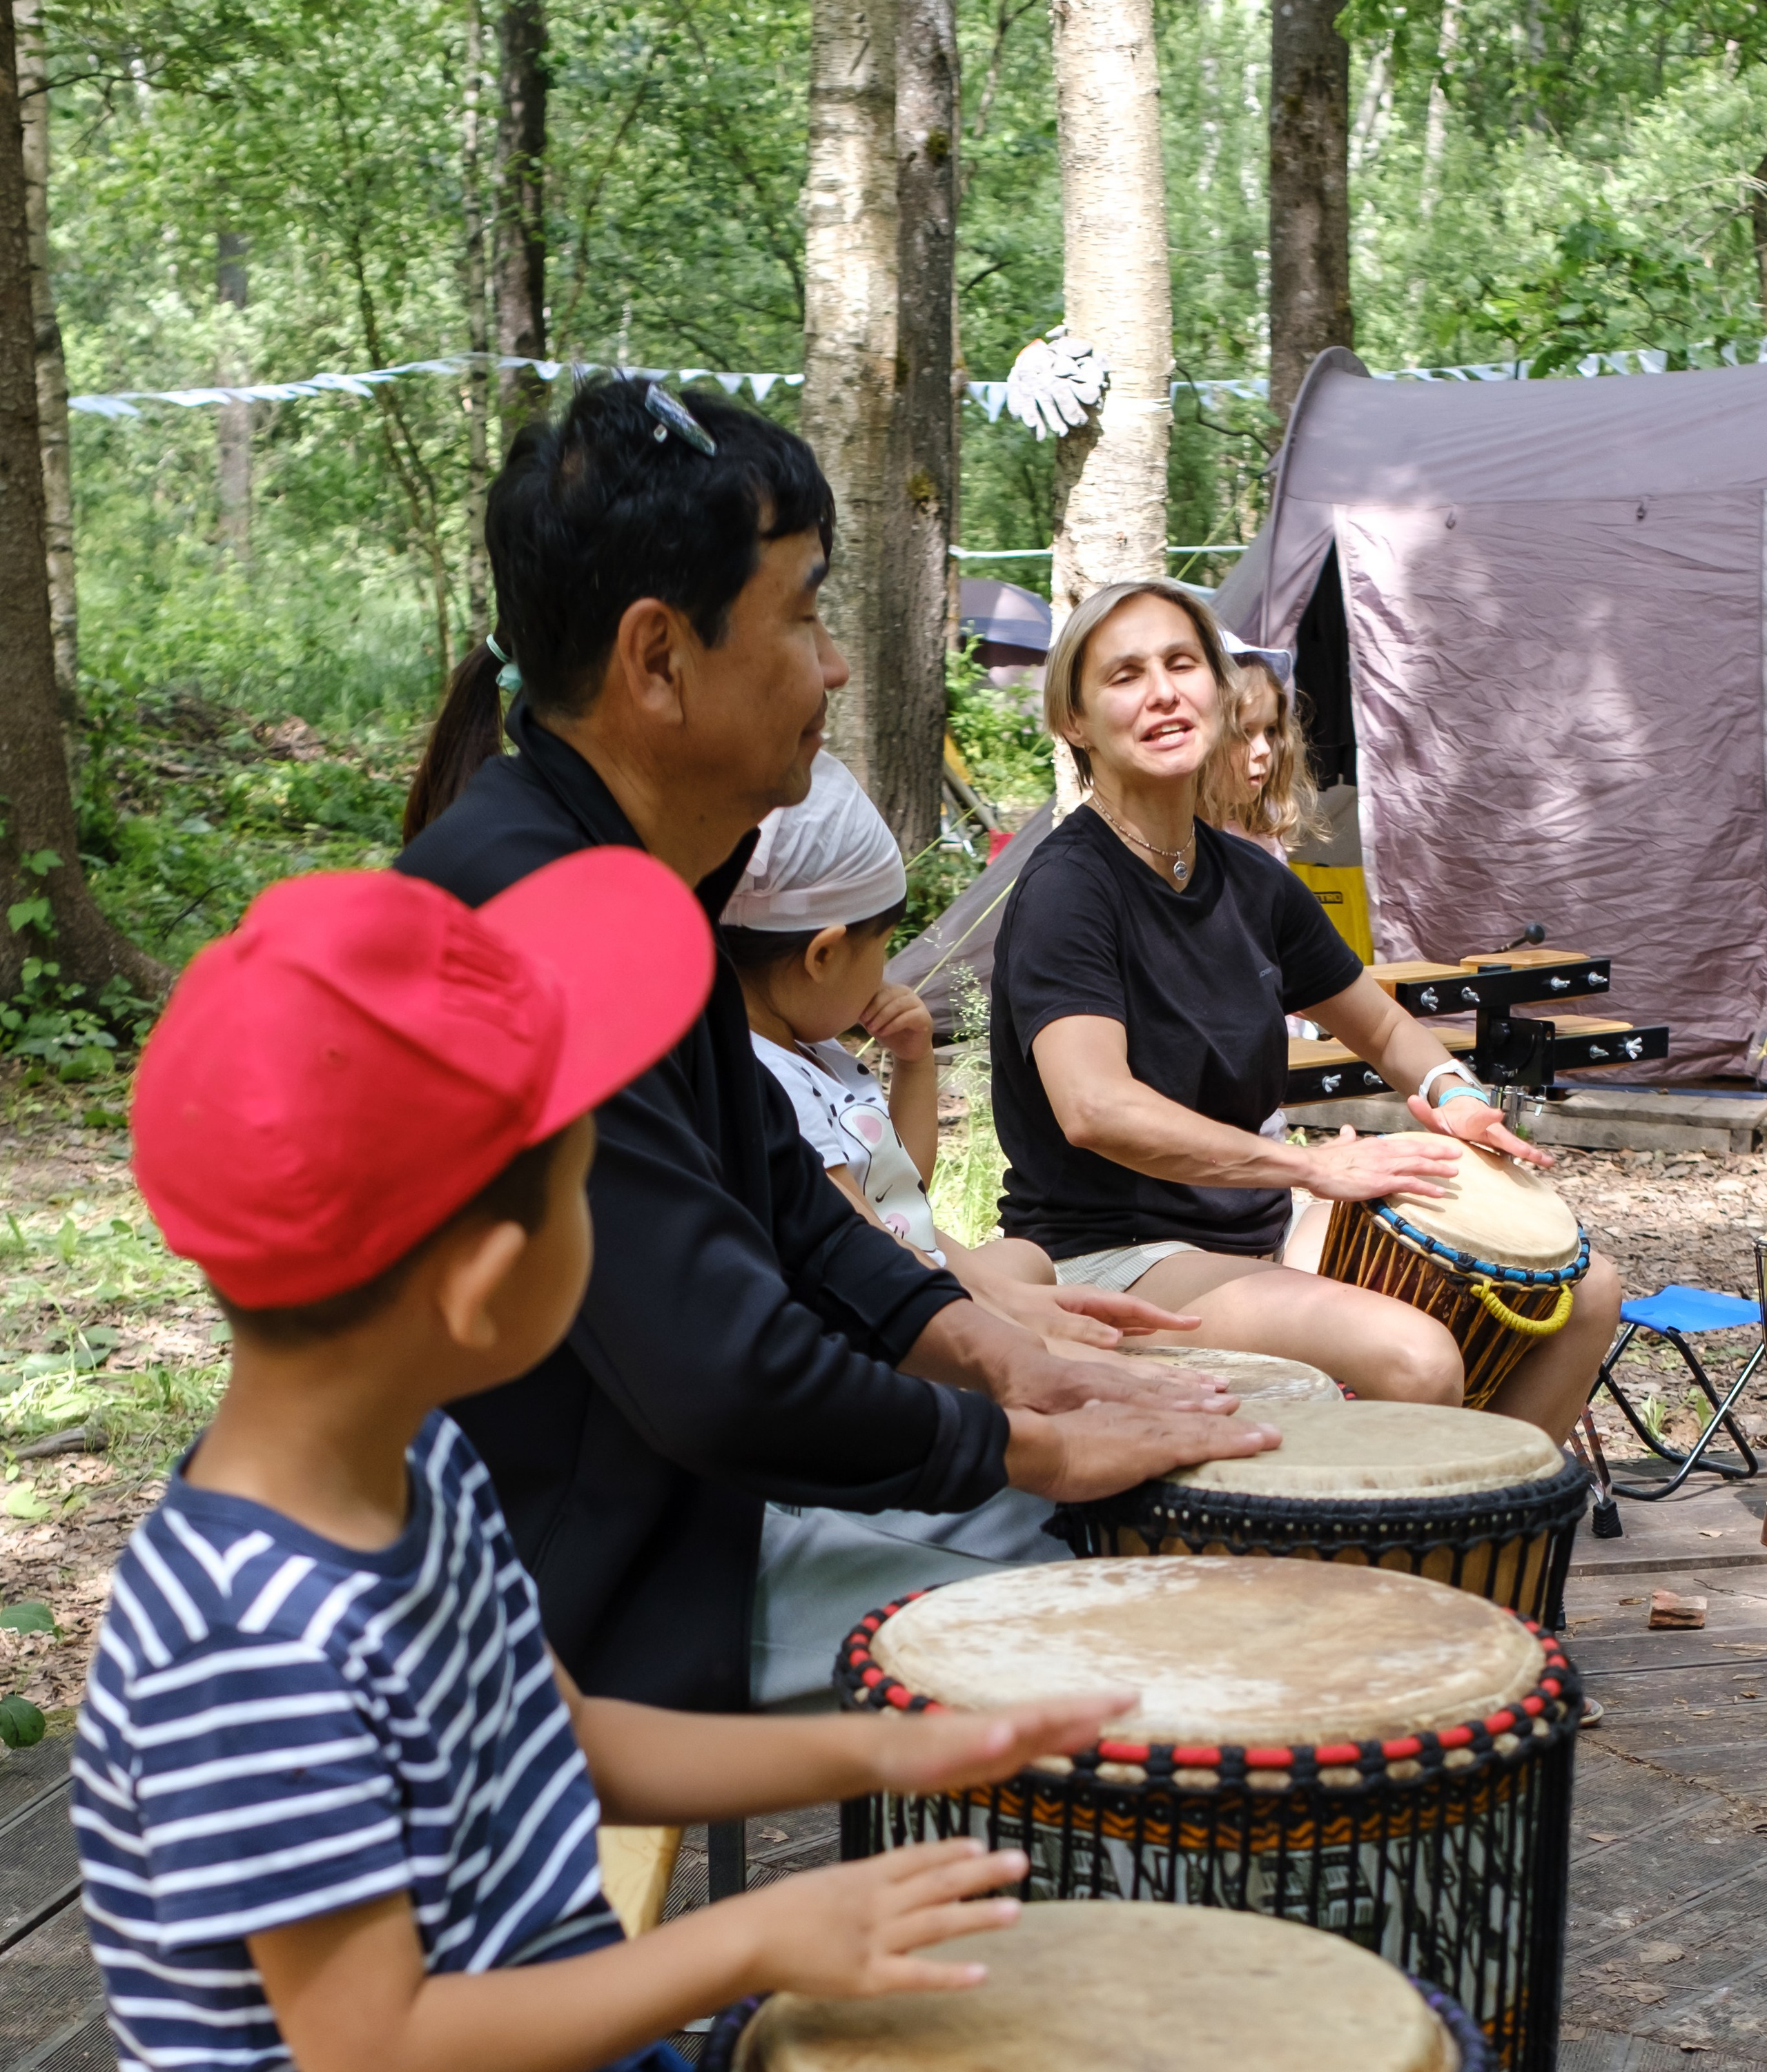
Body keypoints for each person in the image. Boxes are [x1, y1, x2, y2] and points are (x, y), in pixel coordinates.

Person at [80, 854, 1142, 2072]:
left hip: (548, 2071)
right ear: (497, 1285)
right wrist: (743, 1944)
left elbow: (558, 1738)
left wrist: (894, 1747)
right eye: (599, 1185)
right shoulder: (255, 1641)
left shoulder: (411, 1476)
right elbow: (380, 2064)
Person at [398, 384, 1274, 1714]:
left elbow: (792, 1214)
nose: (838, 664)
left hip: (669, 1514)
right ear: (656, 659)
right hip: (573, 1591)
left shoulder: (619, 881)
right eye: (803, 613)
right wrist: (1020, 1447)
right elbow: (725, 1380)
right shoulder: (543, 924)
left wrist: (1000, 1354)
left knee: (1155, 1503)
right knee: (1146, 1579)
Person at [985, 578, 1621, 1446]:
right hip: (1113, 1255)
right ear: (1075, 721)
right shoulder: (1071, 890)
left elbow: (1387, 1029)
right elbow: (1096, 1110)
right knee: (1414, 1358)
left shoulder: (1251, 882)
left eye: (1181, 663)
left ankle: (1476, 1544)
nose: (1164, 692)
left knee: (1588, 1294)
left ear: (1216, 686)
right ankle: (1386, 1565)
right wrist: (1315, 1171)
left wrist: (1452, 1093)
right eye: (1125, 676)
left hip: (1258, 1230)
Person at [725, 746, 1187, 1354]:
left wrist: (914, 1062)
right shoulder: (773, 1081)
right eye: (884, 946)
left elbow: (902, 1190)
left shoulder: (816, 1052)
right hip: (885, 1307)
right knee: (1061, 1332)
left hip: (914, 1264)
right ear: (824, 955)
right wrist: (998, 1312)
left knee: (1023, 1256)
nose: (887, 970)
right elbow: (863, 1247)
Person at [1201, 631, 1315, 863]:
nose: (1264, 749)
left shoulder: (1263, 829)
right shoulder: (1180, 841)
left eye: (1271, 730)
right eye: (1243, 733)